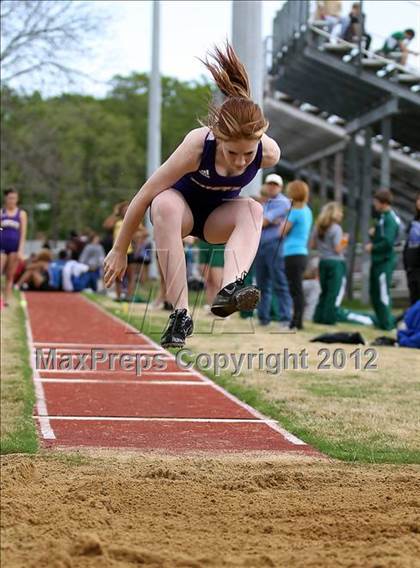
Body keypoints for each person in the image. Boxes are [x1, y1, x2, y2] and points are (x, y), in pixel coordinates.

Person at [103, 42, 280, 348]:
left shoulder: (269, 153)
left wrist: (252, 152)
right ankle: (180, 315)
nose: (240, 161)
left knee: (253, 208)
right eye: (232, 153)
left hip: (215, 219)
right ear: (218, 137)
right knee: (163, 202)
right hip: (181, 213)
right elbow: (143, 195)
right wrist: (120, 249)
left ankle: (230, 289)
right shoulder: (198, 145)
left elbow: (253, 157)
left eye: (247, 154)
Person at [254, 174, 292, 327]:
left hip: (274, 246)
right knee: (262, 283)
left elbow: (260, 222)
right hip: (261, 245)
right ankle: (263, 318)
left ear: (280, 187)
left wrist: (265, 221)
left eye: (275, 185)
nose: (271, 186)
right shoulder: (266, 203)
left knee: (279, 282)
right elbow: (258, 221)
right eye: (269, 184)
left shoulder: (282, 202)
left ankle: (285, 318)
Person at [366, 189, 401, 331]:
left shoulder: (389, 219)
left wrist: (373, 247)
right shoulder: (382, 217)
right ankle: (381, 321)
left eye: (376, 201)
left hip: (385, 260)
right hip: (378, 261)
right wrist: (373, 235)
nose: (374, 204)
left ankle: (387, 324)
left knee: (383, 292)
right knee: (374, 292)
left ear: (383, 203)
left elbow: (388, 242)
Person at [282, 180, 313, 330]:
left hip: (292, 254)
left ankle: (296, 321)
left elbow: (281, 231)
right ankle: (297, 320)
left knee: (295, 289)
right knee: (297, 288)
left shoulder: (295, 212)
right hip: (302, 253)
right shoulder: (307, 211)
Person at [312, 202, 348, 325]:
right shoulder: (336, 228)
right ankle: (329, 318)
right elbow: (338, 249)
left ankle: (318, 317)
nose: (342, 214)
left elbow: (312, 245)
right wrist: (344, 240)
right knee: (333, 292)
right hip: (335, 263)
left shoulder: (318, 227)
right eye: (340, 212)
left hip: (323, 261)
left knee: (324, 291)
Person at [103, 201, 139, 301]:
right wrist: (115, 213)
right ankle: (118, 296)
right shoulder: (117, 222)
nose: (126, 211)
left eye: (128, 209)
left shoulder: (133, 221)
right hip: (119, 252)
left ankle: (129, 296)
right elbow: (106, 225)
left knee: (130, 276)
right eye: (124, 209)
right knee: (118, 276)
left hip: (130, 251)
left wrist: (136, 239)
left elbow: (143, 232)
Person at [1, 188, 28, 306]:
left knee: (10, 274)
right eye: (10, 198)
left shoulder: (21, 214)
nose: (12, 201)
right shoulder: (1, 212)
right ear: (6, 199)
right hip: (1, 246)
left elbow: (23, 233)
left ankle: (7, 298)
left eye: (14, 198)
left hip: (14, 247)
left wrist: (20, 250)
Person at [403, 194, 420, 306]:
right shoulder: (414, 221)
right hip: (412, 269)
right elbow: (408, 243)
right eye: (418, 199)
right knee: (414, 300)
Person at [198, 239, 225, 312]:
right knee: (208, 280)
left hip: (218, 241)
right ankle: (211, 306)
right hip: (203, 241)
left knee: (217, 281)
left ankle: (222, 308)